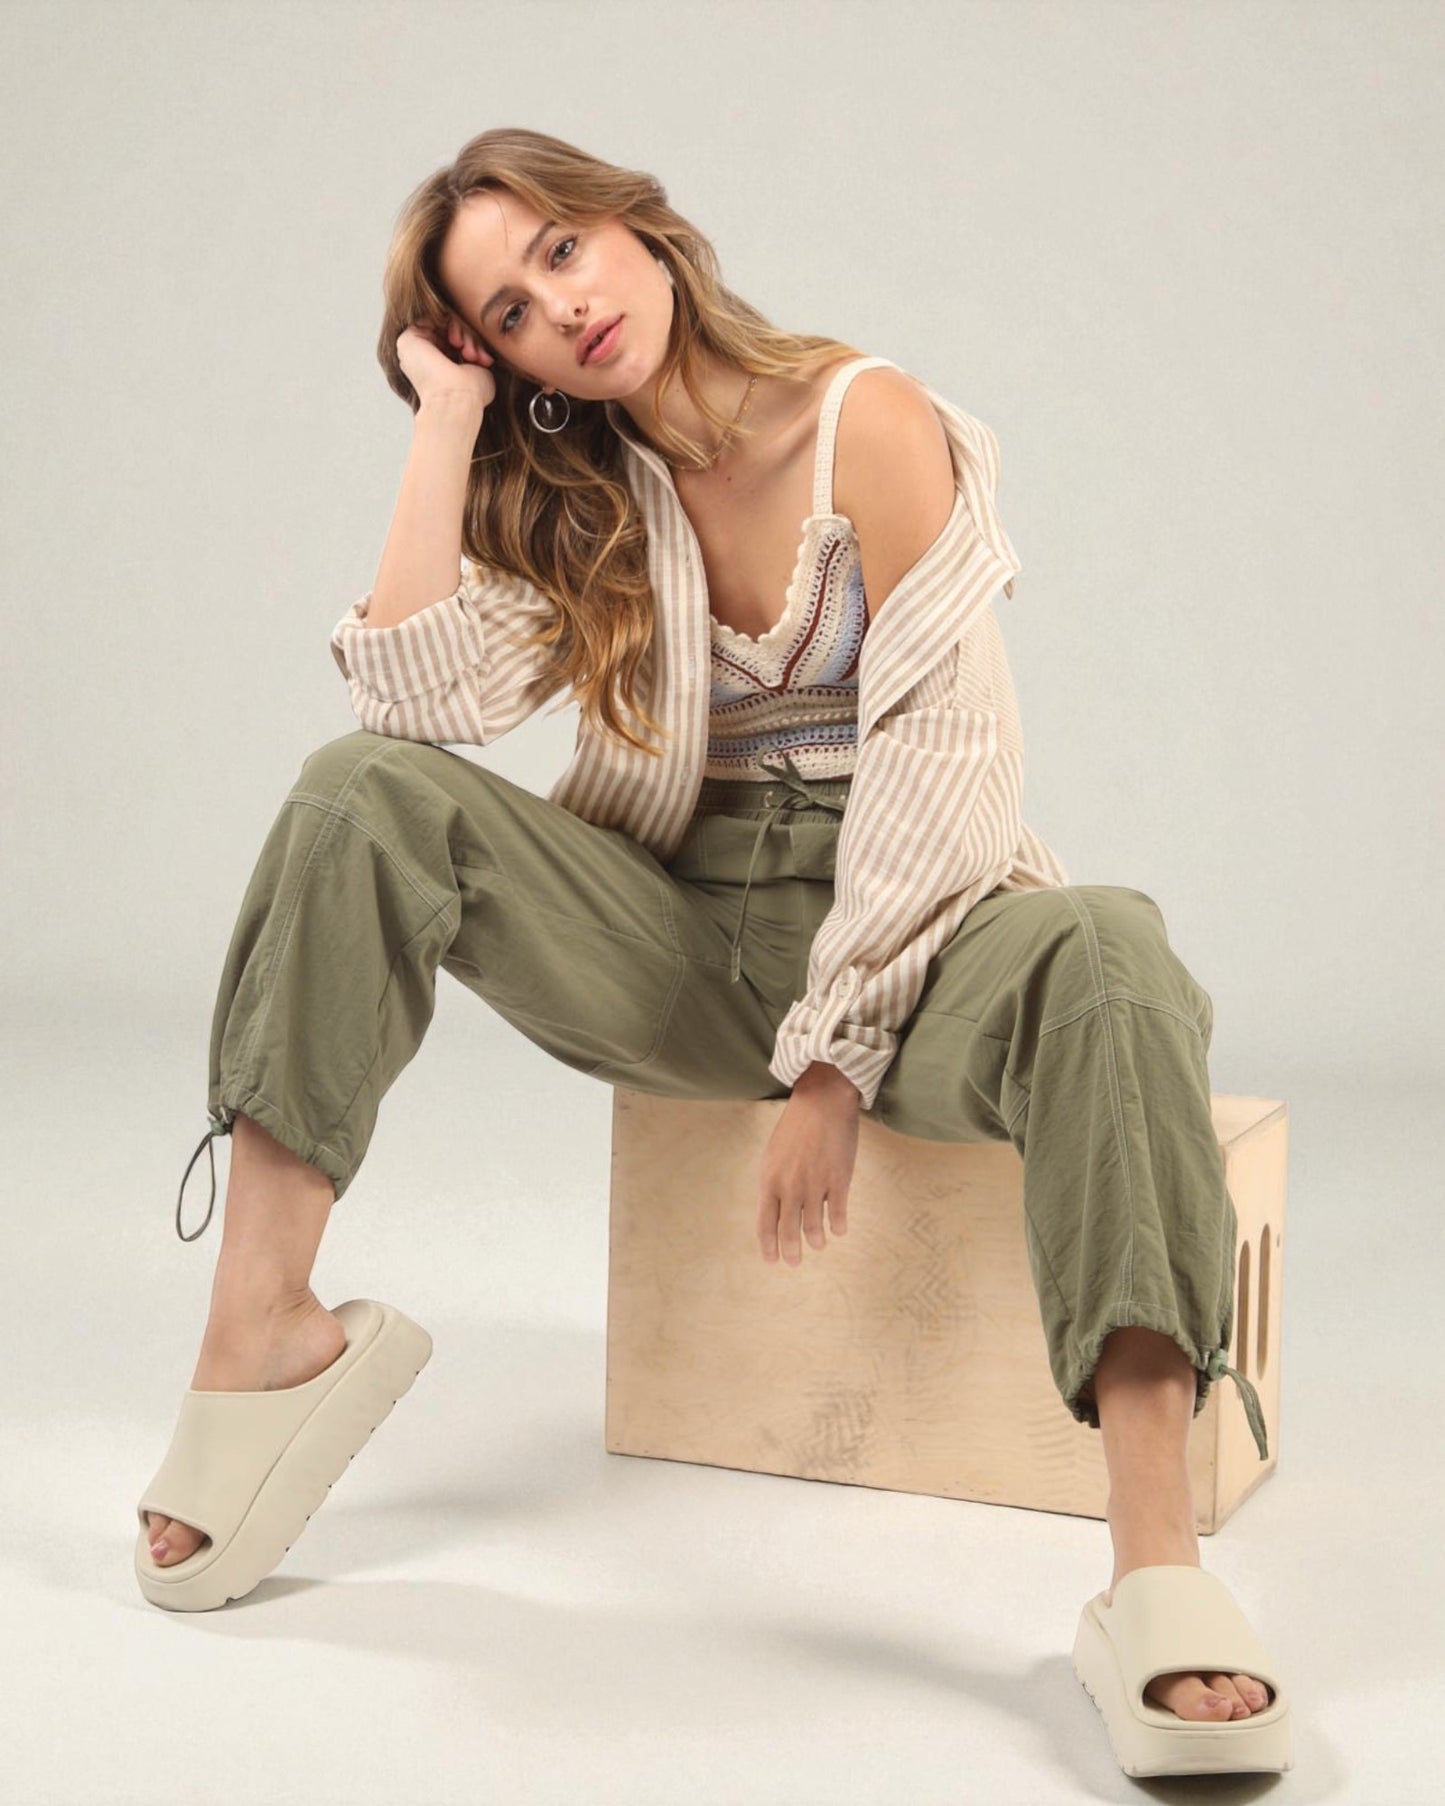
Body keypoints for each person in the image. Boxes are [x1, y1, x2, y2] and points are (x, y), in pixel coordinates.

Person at [134, 128, 1288, 1774]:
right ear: (505, 361)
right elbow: (400, 697)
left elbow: (947, 767)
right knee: (356, 797)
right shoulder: (585, 499)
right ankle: (263, 1326)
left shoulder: (863, 421)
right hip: (674, 935)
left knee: (1105, 945)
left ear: (636, 224)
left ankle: (1152, 1565)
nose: (558, 306)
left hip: (919, 931)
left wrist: (836, 1052)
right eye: (507, 313)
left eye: (558, 247)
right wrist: (449, 427)